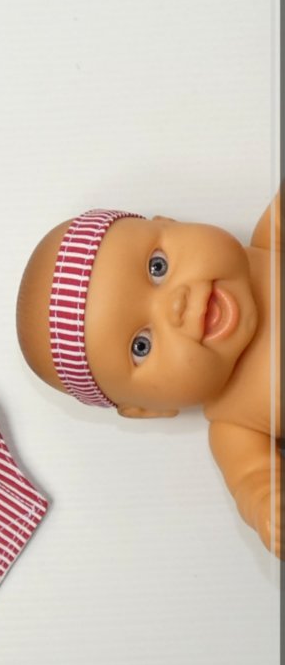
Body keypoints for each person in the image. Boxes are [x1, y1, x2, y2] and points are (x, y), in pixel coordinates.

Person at [15, 191, 280, 557]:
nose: (175, 305)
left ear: (168, 223)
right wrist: (267, 507)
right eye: (142, 345)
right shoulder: (234, 427)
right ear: (149, 408)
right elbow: (255, 480)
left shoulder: (271, 244)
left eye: (158, 267)